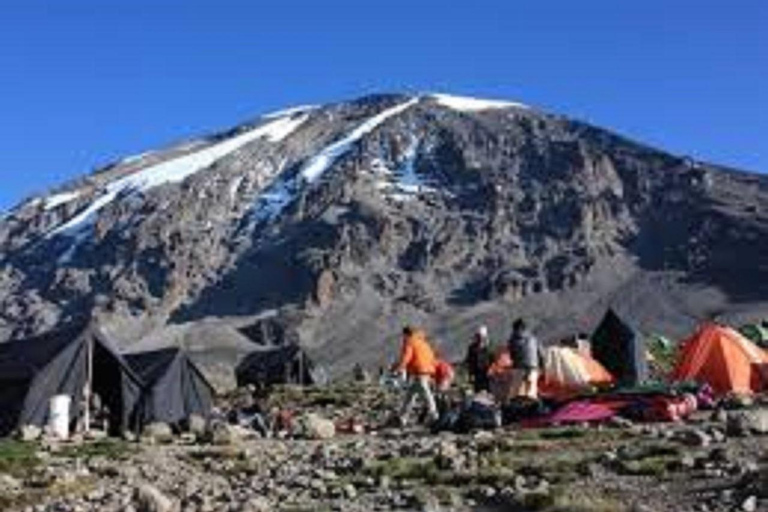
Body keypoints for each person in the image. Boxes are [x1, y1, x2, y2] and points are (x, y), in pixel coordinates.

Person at [393, 326, 439, 425]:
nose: (403, 338)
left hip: (419, 371)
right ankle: (403, 417)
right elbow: (432, 357)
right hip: (427, 371)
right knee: (410, 395)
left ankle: (434, 415)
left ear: (406, 334)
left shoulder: (410, 342)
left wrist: (399, 368)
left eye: (403, 335)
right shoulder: (423, 343)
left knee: (426, 394)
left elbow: (406, 357)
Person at [507, 318, 542, 400]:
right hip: (533, 367)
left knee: (515, 392)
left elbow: (512, 355)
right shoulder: (533, 338)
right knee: (532, 391)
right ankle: (533, 409)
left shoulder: (513, 339)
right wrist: (541, 366)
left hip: (519, 367)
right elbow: (540, 353)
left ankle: (513, 408)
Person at [465, 325, 493, 393]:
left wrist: (491, 370)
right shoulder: (472, 348)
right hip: (477, 374)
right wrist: (470, 374)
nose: (479, 338)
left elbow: (493, 360)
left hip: (487, 374)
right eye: (478, 336)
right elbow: (469, 361)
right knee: (478, 392)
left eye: (481, 337)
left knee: (488, 392)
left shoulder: (489, 347)